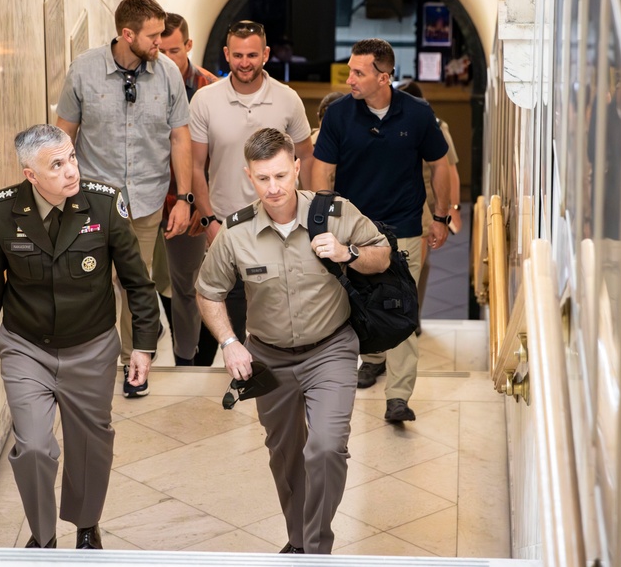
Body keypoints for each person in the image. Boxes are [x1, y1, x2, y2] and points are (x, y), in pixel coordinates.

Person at [196, 128, 390, 554]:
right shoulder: (236, 233)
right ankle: (300, 541)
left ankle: (315, 546)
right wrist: (229, 342)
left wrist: (347, 253)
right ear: (249, 176)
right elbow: (208, 291)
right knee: (285, 454)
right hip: (268, 358)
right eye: (263, 178)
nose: (275, 188)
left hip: (331, 349)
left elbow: (382, 253)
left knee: (324, 447)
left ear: (297, 167)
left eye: (282, 175)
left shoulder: (336, 213)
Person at [0, 125, 160, 550]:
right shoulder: (1, 212)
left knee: (91, 444)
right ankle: (43, 537)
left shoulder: (105, 204)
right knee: (34, 447)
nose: (70, 171)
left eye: (71, 157)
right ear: (31, 175)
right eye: (57, 165)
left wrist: (143, 346)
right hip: (25, 347)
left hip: (91, 348)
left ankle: (87, 525)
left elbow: (138, 282)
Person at [56, 0, 192, 397]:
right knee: (91, 282)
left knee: (139, 284)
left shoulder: (167, 74)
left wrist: (183, 199)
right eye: (152, 37)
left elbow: (180, 138)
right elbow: (64, 133)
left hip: (148, 199)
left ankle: (137, 360)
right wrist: (58, 192)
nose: (159, 44)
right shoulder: (84, 70)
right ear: (126, 33)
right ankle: (95, 361)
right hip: (93, 199)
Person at [312, 38, 451, 423]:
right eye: (351, 70)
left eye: (359, 72)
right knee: (360, 299)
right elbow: (321, 168)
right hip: (355, 227)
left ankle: (399, 397)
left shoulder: (418, 114)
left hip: (404, 224)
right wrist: (323, 219)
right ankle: (371, 360)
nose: (350, 78)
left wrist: (440, 216)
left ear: (384, 76)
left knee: (401, 304)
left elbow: (441, 165)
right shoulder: (339, 115)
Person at [190, 20, 315, 345]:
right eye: (238, 55)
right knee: (224, 308)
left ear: (266, 54)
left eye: (252, 55)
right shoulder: (205, 100)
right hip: (225, 224)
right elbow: (194, 165)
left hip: (280, 223)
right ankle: (235, 369)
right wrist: (208, 222)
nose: (245, 62)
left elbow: (307, 157)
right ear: (227, 54)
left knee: (277, 310)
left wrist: (311, 212)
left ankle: (275, 371)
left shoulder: (288, 99)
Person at [154, 12, 219, 365]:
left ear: (189, 46)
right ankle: (185, 354)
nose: (166, 59)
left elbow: (211, 158)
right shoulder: (147, 83)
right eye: (160, 50)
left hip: (194, 203)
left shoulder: (209, 89)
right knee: (164, 283)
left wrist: (198, 205)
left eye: (174, 50)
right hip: (152, 203)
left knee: (195, 283)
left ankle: (196, 358)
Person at [396, 81, 462, 317]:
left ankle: (414, 315)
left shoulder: (436, 126)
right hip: (404, 199)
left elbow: (450, 169)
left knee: (420, 260)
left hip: (429, 203)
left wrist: (452, 208)